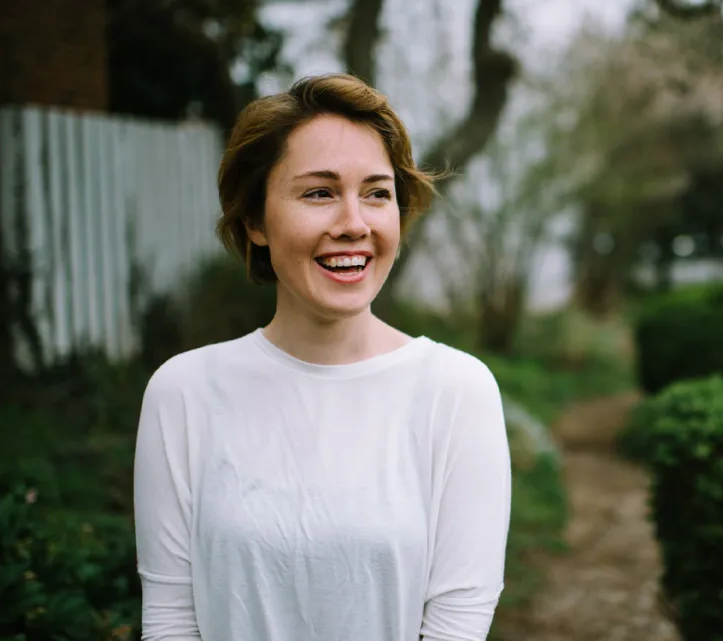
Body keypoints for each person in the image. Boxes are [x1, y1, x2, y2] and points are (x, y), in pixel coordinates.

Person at [132, 73, 512, 641]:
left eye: (377, 193)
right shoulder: (183, 391)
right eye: (319, 192)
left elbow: (458, 623)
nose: (354, 224)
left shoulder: (456, 391)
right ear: (255, 221)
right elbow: (171, 620)